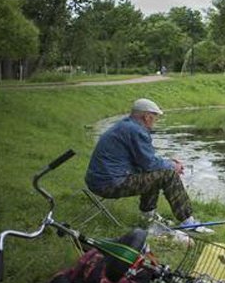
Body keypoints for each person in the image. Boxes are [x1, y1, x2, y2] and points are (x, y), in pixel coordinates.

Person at [85, 98, 212, 233]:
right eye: (155, 117)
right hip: (109, 184)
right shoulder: (136, 131)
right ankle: (188, 222)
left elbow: (146, 163)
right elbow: (150, 164)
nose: (156, 121)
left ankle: (148, 217)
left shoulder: (126, 126)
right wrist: (172, 166)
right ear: (147, 117)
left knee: (155, 173)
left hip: (98, 181)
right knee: (168, 174)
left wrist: (167, 164)